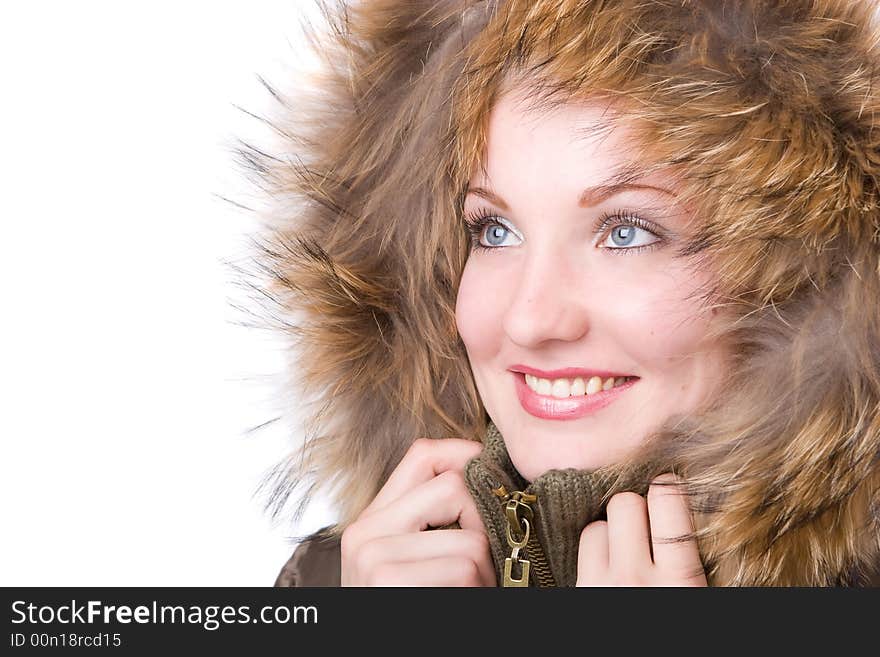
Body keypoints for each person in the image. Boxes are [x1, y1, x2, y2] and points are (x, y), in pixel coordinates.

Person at [243, 0, 880, 586]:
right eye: (494, 230)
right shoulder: (347, 580)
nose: (529, 318)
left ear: (807, 280)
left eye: (627, 232)